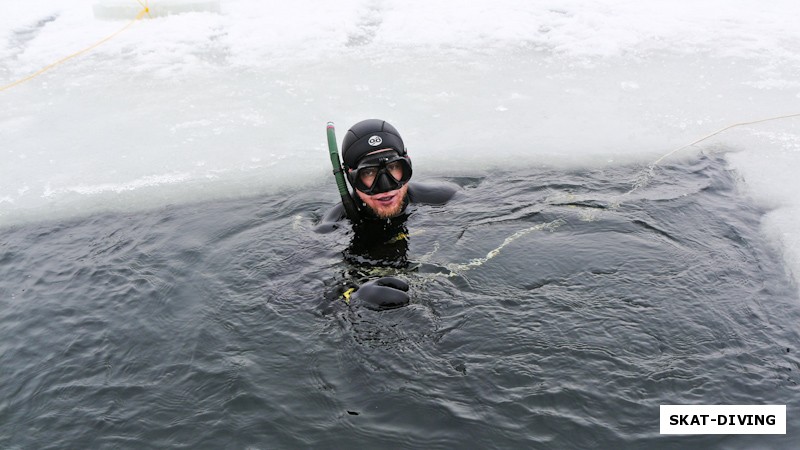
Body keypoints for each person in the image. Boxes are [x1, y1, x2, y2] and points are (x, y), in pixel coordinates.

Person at [315, 119, 458, 310]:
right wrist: (351, 296)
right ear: (350, 178)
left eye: (393, 168)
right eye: (369, 173)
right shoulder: (331, 227)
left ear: (406, 165)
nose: (385, 187)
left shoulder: (443, 199)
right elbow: (303, 291)